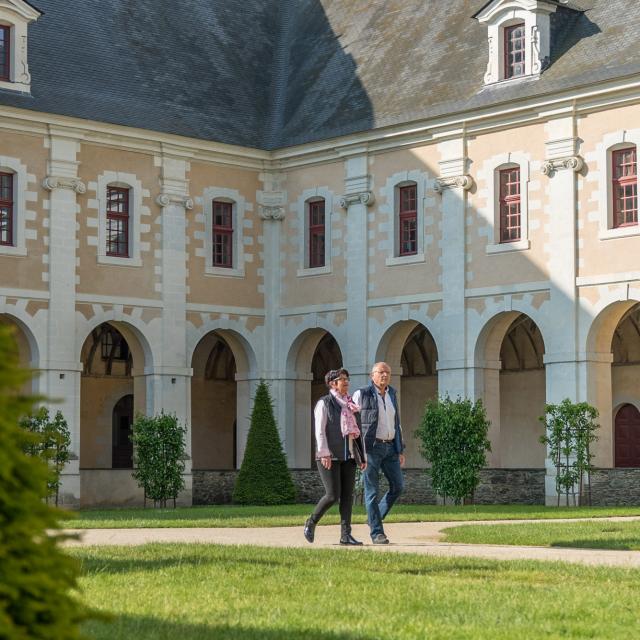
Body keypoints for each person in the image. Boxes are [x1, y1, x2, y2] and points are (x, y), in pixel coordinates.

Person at [304, 368, 367, 546]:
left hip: (349, 456)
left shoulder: (351, 405)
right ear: (333, 383)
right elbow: (320, 431)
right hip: (329, 456)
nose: (346, 382)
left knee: (347, 497)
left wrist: (361, 457)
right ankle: (311, 522)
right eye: (342, 380)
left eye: (347, 379)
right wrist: (324, 452)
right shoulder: (324, 403)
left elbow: (357, 433)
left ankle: (345, 535)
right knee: (332, 495)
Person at [352, 362, 405, 544]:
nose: (385, 375)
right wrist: (358, 451)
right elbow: (352, 422)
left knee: (398, 486)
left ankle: (374, 517)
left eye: (387, 372)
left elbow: (396, 423)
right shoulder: (362, 394)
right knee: (371, 491)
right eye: (381, 372)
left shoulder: (392, 394)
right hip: (371, 449)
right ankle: (377, 533)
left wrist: (400, 448)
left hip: (390, 447)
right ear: (372, 375)